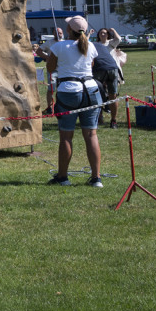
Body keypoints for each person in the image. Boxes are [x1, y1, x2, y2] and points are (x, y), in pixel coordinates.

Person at [45, 16, 103, 187]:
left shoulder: (59, 46)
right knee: (91, 135)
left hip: (69, 91)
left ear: (69, 29)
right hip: (91, 90)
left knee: (66, 137)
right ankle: (96, 178)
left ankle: (63, 178)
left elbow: (50, 68)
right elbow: (90, 65)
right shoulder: (91, 45)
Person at [92, 28, 125, 128]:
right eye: (101, 33)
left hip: (106, 70)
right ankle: (101, 117)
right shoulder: (96, 44)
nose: (103, 34)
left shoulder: (110, 43)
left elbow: (118, 39)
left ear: (108, 35)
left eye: (105, 33)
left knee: (107, 95)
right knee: (104, 94)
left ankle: (112, 119)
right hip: (109, 69)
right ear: (98, 35)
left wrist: (113, 30)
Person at [34, 27, 63, 114]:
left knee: (62, 89)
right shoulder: (49, 42)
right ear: (53, 33)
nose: (58, 34)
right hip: (52, 69)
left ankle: (60, 106)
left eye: (60, 33)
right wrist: (48, 57)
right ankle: (50, 108)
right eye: (56, 32)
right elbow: (39, 51)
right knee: (51, 88)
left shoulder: (65, 43)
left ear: (62, 33)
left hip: (63, 69)